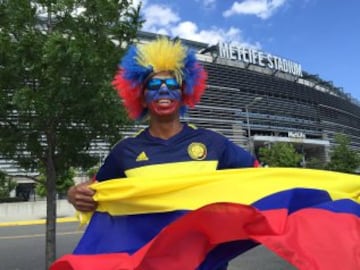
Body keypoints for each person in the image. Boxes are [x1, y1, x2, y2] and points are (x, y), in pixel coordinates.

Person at [67, 36, 259, 270]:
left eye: (173, 85)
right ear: (142, 97)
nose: (164, 90)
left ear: (184, 93)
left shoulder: (213, 143)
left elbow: (258, 179)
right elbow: (94, 192)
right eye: (154, 86)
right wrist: (74, 194)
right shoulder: (125, 151)